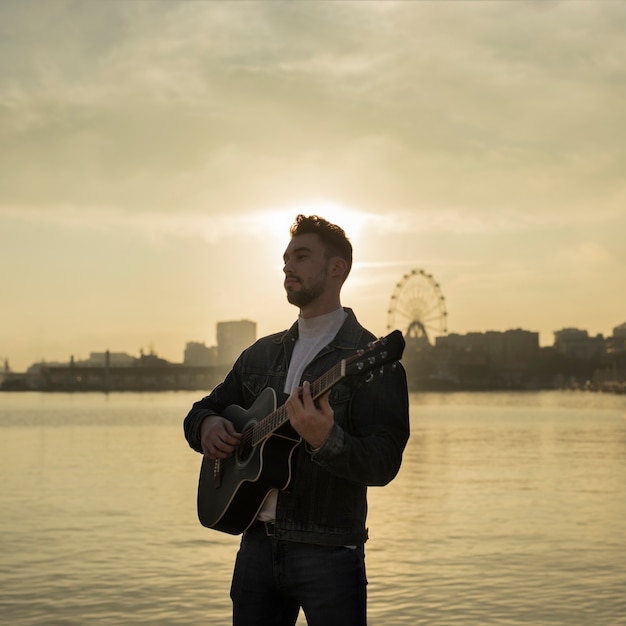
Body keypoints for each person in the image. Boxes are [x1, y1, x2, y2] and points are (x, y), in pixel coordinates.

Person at [183, 214, 410, 626]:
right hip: (255, 549)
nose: (288, 266)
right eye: (286, 258)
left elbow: (384, 463)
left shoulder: (369, 361)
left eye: (301, 256)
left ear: (336, 268)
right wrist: (206, 428)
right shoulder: (261, 355)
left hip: (330, 554)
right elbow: (202, 410)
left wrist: (327, 440)